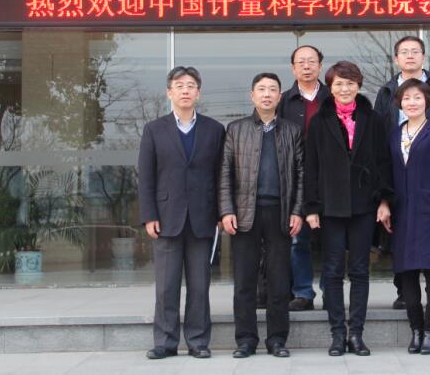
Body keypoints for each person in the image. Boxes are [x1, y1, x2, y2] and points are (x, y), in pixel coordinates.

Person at [304, 61, 394, 357]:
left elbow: (383, 161)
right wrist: (311, 207)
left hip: (364, 204)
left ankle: (356, 333)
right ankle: (337, 333)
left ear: (358, 85)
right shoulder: (319, 120)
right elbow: (311, 166)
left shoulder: (372, 118)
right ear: (330, 88)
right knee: (332, 271)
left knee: (359, 270)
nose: (345, 89)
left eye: (350, 83)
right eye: (339, 84)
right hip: (330, 205)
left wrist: (384, 200)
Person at [138, 66, 226, 360]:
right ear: (169, 92)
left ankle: (198, 341)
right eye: (179, 86)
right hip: (166, 217)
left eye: (190, 86)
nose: (185, 90)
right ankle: (165, 342)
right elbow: (146, 176)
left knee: (200, 286)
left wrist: (221, 213)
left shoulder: (215, 130)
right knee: (166, 285)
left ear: (198, 93)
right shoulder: (154, 129)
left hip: (203, 218)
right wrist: (149, 215)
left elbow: (221, 175)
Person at [219, 72, 305, 359]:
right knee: (244, 281)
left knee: (279, 281)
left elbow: (302, 175)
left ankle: (277, 339)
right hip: (245, 214)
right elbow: (225, 174)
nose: (267, 94)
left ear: (280, 96)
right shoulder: (236, 129)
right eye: (261, 89)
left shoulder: (292, 130)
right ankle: (245, 340)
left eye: (272, 90)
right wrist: (227, 210)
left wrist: (297, 211)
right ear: (252, 95)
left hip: (280, 213)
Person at [373, 35, 430, 309]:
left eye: (415, 51)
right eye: (404, 52)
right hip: (398, 171)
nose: (410, 56)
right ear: (396, 59)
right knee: (401, 238)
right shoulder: (386, 91)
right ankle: (403, 292)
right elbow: (379, 133)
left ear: (423, 56)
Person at [384, 79, 430, 355]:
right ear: (399, 103)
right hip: (402, 211)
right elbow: (388, 173)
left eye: (417, 97)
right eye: (406, 98)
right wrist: (385, 204)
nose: (411, 102)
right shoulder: (394, 134)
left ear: (427, 101)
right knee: (407, 273)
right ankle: (416, 329)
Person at [278, 45, 330, 312]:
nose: (307, 66)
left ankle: (331, 292)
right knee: (298, 238)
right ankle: (302, 292)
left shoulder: (333, 97)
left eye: (312, 61)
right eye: (301, 62)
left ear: (320, 65)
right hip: (295, 179)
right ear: (293, 68)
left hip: (330, 178)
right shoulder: (283, 101)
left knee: (332, 239)